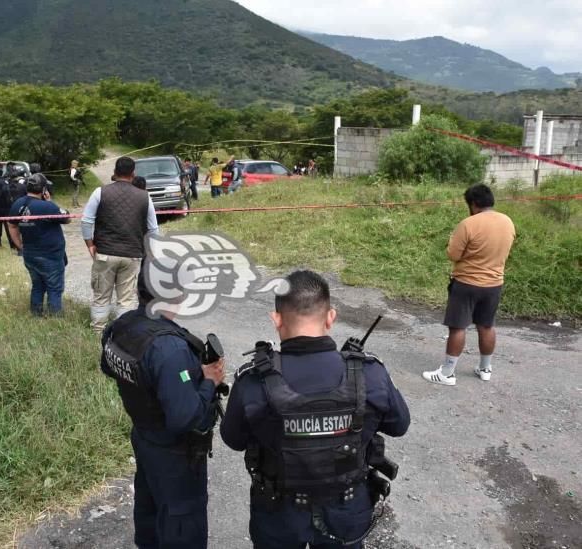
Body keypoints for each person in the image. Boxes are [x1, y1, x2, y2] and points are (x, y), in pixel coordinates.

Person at [221, 270, 410, 549]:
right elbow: (399, 425)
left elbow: (233, 440)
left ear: (276, 320)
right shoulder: (370, 374)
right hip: (347, 510)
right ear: (331, 317)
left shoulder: (252, 381)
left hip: (278, 512)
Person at [100, 269, 225, 549]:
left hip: (144, 437)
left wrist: (170, 379)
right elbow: (185, 417)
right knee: (182, 522)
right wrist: (208, 382)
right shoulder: (170, 348)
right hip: (176, 454)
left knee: (150, 506)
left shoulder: (122, 326)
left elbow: (108, 365)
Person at [423, 184, 516, 386]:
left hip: (466, 283)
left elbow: (453, 254)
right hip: (494, 284)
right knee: (486, 325)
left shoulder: (468, 224)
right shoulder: (507, 222)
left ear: (473, 204)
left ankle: (447, 373)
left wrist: (451, 241)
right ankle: (485, 368)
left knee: (458, 327)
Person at [80, 156, 159, 332]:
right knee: (127, 299)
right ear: (133, 174)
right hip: (132, 255)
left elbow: (86, 221)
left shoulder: (100, 192)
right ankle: (123, 333)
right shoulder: (145, 196)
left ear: (115, 172)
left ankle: (98, 331)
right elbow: (153, 230)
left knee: (101, 296)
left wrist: (90, 244)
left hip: (105, 253)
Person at [8, 174, 71, 316]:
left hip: (30, 254)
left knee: (37, 286)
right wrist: (51, 202)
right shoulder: (47, 207)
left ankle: (36, 315)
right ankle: (55, 319)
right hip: (50, 255)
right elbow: (67, 218)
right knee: (54, 288)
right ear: (43, 190)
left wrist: (20, 246)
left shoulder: (18, 204)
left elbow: (11, 225)